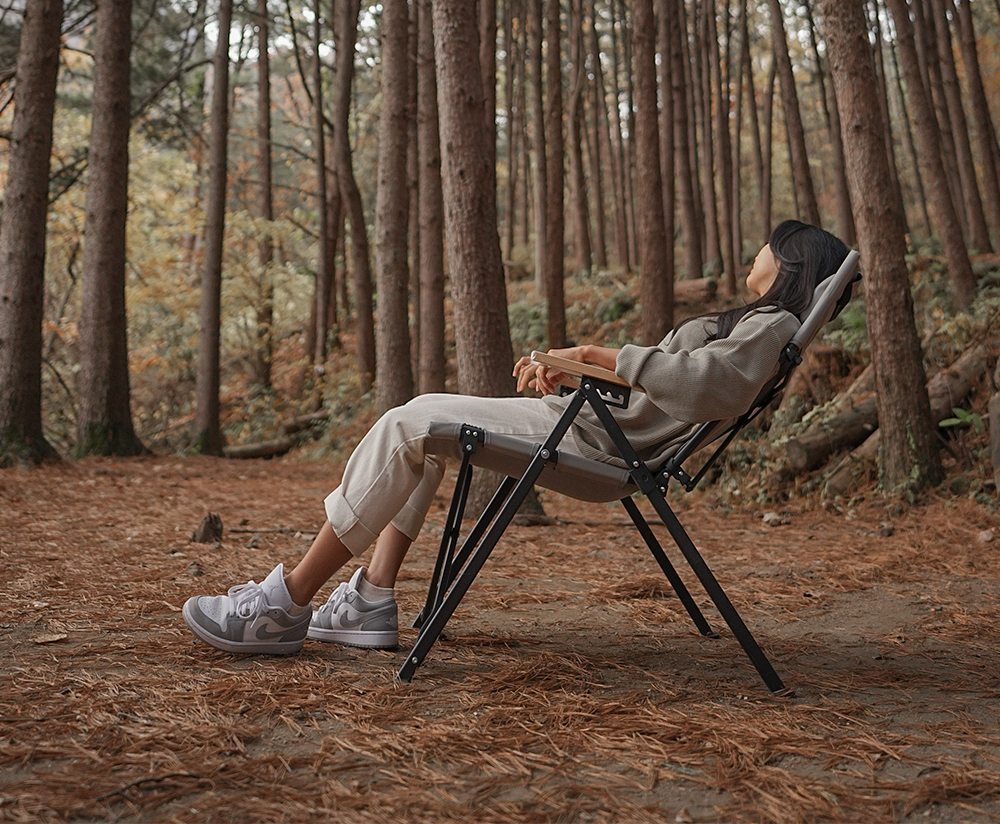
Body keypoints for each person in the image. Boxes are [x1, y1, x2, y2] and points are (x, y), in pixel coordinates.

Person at [183, 220, 850, 657]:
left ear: (790, 259)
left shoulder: (770, 326)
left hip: (597, 445)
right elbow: (664, 394)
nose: (757, 251)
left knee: (409, 424)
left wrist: (598, 355)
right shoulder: (757, 324)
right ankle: (371, 597)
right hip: (592, 425)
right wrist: (574, 372)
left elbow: (709, 387)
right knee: (419, 421)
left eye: (769, 243)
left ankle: (285, 603)